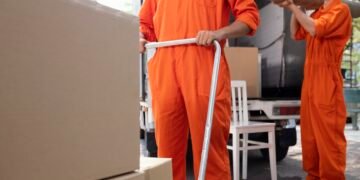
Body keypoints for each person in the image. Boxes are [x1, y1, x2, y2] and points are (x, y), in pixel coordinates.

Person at [139, 0, 259, 179]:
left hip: (204, 65)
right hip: (165, 69)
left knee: (210, 153)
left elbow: (249, 17)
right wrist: (140, 37)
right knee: (167, 153)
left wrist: (219, 33)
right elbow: (144, 23)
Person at [273, 0, 352, 179]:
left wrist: (292, 6)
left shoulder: (340, 10)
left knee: (328, 140)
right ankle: (314, 175)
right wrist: (297, 7)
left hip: (327, 83)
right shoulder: (317, 13)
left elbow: (316, 29)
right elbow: (294, 33)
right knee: (311, 139)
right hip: (310, 83)